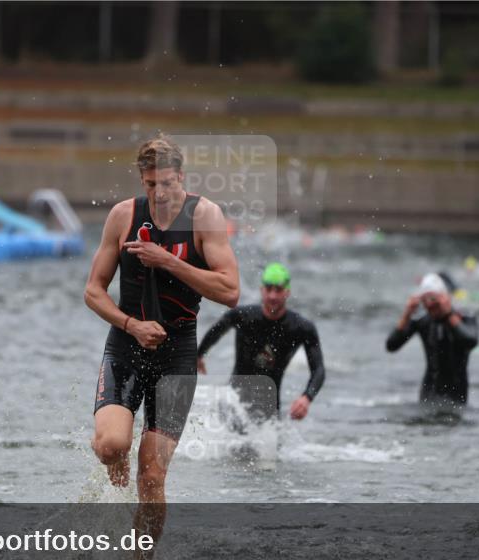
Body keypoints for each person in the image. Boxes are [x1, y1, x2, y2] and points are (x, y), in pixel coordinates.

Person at [84, 136, 239, 515]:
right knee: (112, 447)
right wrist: (130, 324)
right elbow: (93, 291)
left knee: (151, 478)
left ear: (181, 176)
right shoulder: (124, 215)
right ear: (142, 179)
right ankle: (114, 452)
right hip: (126, 345)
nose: (161, 193)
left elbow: (231, 290)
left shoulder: (205, 217)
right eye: (152, 185)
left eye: (168, 183)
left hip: (176, 357)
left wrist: (168, 261)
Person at [196, 263, 325, 421]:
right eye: (268, 289)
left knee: (269, 442)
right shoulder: (242, 316)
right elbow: (215, 332)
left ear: (287, 292)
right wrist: (199, 354)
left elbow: (319, 370)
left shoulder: (301, 327)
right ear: (261, 290)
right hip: (235, 405)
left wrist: (306, 398)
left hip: (270, 412)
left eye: (278, 290)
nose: (272, 296)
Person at [386, 273, 479, 407]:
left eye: (435, 299)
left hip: (458, 396)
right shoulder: (422, 320)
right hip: (429, 394)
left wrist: (448, 314)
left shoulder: (464, 316)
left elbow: (471, 341)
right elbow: (391, 345)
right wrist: (407, 313)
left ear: (446, 296)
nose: (431, 304)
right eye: (426, 300)